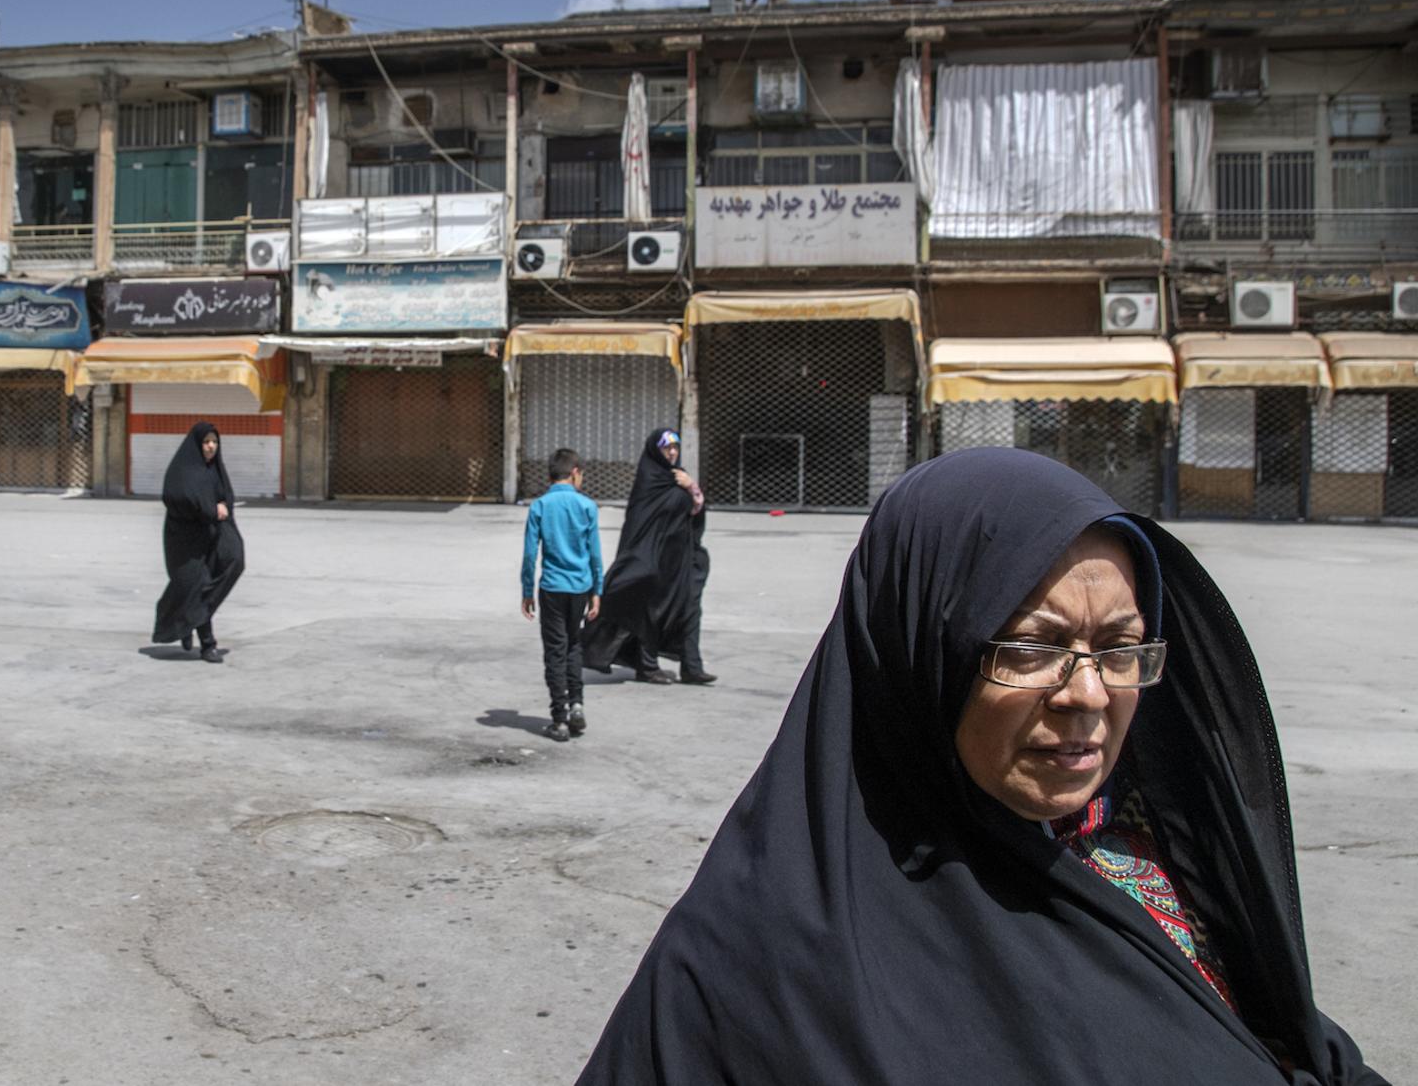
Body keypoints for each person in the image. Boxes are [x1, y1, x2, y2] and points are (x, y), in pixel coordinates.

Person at [576, 448, 1385, 1085]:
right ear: (925, 653)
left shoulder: (1154, 851)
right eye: (1032, 646)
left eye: (1120, 648)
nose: (1089, 694)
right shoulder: (757, 963)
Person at [582, 429, 715, 686]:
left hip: (681, 561)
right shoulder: (649, 480)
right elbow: (640, 524)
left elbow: (695, 512)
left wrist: (692, 487)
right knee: (649, 613)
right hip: (653, 562)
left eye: (675, 447)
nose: (673, 453)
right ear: (656, 450)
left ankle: (692, 667)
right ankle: (648, 666)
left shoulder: (680, 478)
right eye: (667, 448)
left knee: (690, 609)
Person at [520, 447, 603, 742]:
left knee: (555, 650)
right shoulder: (587, 507)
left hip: (552, 588)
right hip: (580, 588)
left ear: (550, 475)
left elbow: (531, 554)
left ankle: (559, 718)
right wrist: (597, 590)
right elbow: (594, 553)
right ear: (575, 472)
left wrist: (526, 590)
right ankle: (577, 704)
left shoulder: (540, 506)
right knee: (573, 645)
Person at [151, 421, 244, 664]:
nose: (211, 446)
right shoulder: (183, 469)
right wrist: (211, 509)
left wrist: (221, 508)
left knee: (235, 560)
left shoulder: (216, 469)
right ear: (197, 444)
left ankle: (188, 620)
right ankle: (207, 645)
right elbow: (176, 496)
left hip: (212, 534)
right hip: (185, 540)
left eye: (214, 442)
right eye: (206, 442)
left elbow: (227, 497)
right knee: (196, 584)